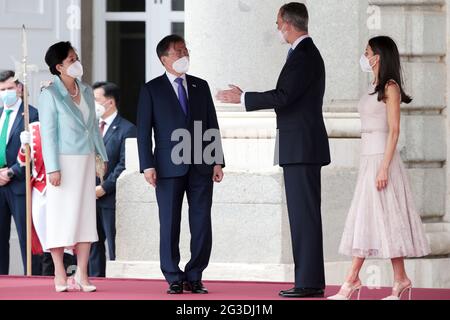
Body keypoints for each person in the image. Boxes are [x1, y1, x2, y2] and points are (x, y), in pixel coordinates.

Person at [217, 2, 330, 298]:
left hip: (302, 147)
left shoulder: (304, 55)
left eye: (278, 22)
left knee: (303, 215)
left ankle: (308, 283)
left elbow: (285, 96)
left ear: (288, 24)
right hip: (299, 145)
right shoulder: (301, 54)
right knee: (303, 215)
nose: (276, 28)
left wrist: (243, 99)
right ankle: (310, 279)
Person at [327, 36, 430, 301]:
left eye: (367, 52)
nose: (364, 57)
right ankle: (400, 280)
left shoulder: (390, 87)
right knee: (379, 219)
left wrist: (384, 167)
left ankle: (351, 281)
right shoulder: (374, 87)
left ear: (378, 56)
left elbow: (394, 130)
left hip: (382, 161)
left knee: (379, 218)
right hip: (368, 159)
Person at [137, 35, 225, 295]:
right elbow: (144, 132)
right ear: (164, 59)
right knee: (169, 222)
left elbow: (211, 123)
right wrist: (147, 165)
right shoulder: (151, 89)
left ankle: (195, 275)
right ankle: (173, 276)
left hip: (201, 164)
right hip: (167, 167)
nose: (184, 54)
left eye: (185, 49)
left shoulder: (201, 85)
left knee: (201, 222)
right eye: (178, 52)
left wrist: (217, 160)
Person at [38, 42, 108, 292]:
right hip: (63, 163)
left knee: (86, 217)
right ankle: (59, 272)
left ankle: (82, 273)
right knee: (60, 218)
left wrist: (102, 156)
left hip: (87, 161)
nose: (77, 62)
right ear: (59, 67)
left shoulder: (87, 91)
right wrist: (52, 168)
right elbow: (48, 134)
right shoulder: (50, 94)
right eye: (71, 59)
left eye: (76, 57)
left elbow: (94, 128)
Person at [88, 82, 137, 277]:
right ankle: (94, 280)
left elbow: (125, 164)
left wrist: (104, 188)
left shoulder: (127, 129)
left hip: (111, 198)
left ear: (109, 102)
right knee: (92, 245)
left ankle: (117, 284)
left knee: (114, 244)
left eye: (96, 100)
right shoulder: (89, 127)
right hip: (89, 197)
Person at [18, 123, 76, 277]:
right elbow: (22, 161)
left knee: (66, 237)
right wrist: (24, 146)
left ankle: (69, 275)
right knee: (44, 239)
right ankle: (48, 277)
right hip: (39, 188)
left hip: (63, 187)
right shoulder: (34, 128)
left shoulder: (68, 123)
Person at [0, 70, 39, 275]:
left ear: (19, 88)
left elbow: (36, 149)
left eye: (9, 88)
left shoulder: (31, 114)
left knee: (26, 237)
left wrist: (12, 172)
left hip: (19, 184)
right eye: (2, 89)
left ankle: (31, 278)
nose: (6, 93)